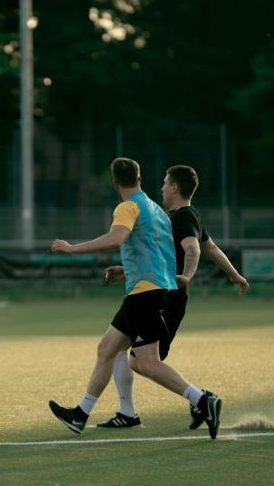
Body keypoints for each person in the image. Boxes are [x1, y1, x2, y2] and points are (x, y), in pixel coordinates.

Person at [48, 157, 223, 439]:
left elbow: (116, 238)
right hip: (149, 290)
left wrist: (72, 248)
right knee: (107, 349)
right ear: (139, 178)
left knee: (147, 363)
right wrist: (127, 270)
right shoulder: (155, 209)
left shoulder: (128, 206)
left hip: (145, 293)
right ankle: (81, 414)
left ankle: (202, 400)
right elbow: (160, 251)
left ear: (114, 182)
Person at [98, 165, 249, 431]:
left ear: (175, 188)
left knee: (142, 362)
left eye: (166, 183)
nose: (162, 188)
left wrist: (187, 276)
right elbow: (211, 247)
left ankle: (201, 399)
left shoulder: (181, 218)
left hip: (166, 298)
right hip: (157, 292)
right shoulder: (185, 216)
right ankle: (130, 412)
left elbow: (193, 249)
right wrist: (234, 275)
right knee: (120, 351)